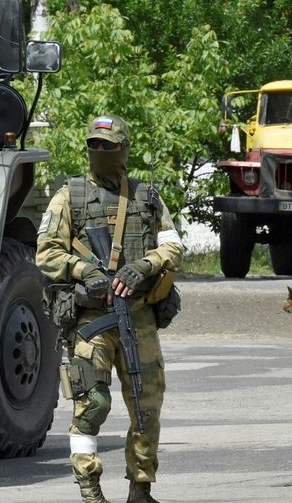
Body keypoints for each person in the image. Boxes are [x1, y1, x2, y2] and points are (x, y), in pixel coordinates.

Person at [36, 115, 184, 503]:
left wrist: (144, 267)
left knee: (146, 405)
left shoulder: (146, 197)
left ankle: (141, 488)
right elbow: (47, 253)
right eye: (94, 145)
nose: (100, 152)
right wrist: (83, 269)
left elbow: (171, 245)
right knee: (93, 403)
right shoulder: (70, 196)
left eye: (108, 146)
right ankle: (89, 488)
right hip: (92, 318)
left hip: (138, 316)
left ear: (124, 148)